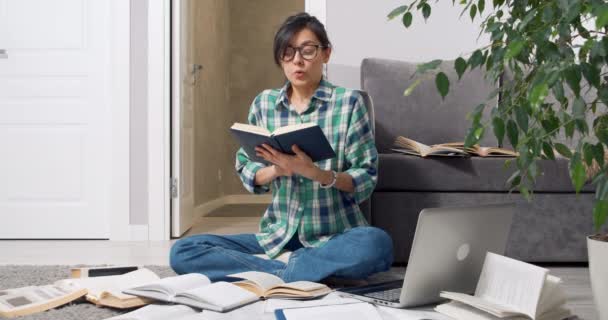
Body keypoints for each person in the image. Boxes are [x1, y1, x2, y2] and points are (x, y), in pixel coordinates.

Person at [170, 12, 393, 283]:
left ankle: (275, 270)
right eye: (288, 52)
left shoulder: (348, 104)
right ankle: (297, 270)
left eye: (308, 50)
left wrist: (316, 173)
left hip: (334, 237)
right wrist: (276, 170)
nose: (297, 60)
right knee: (184, 250)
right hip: (276, 238)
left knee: (376, 244)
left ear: (326, 54)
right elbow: (247, 167)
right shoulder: (265, 104)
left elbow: (366, 178)